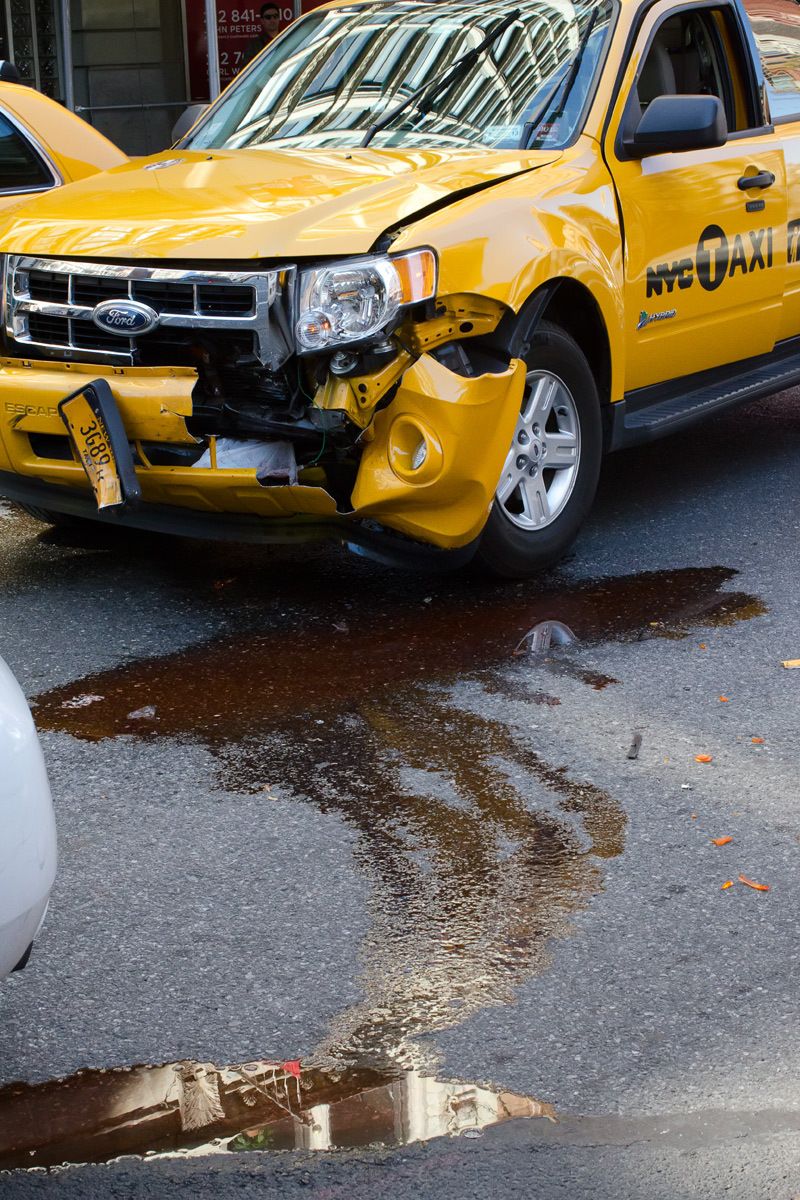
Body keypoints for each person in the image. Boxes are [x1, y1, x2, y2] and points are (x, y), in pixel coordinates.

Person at [242, 3, 281, 68]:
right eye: (268, 17)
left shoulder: (286, 37)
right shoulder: (254, 45)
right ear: (262, 21)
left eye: (275, 16)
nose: (272, 20)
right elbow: (245, 69)